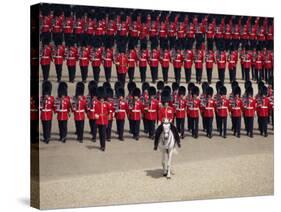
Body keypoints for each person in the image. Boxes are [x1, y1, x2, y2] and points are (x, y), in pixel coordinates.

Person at [94, 87, 110, 151]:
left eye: (103, 99)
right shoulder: (97, 104)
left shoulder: (106, 104)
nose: (102, 100)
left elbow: (109, 111)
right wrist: (96, 115)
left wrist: (108, 116)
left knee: (103, 134)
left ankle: (103, 146)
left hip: (104, 121)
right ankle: (101, 145)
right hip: (99, 121)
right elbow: (95, 111)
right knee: (100, 134)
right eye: (101, 98)